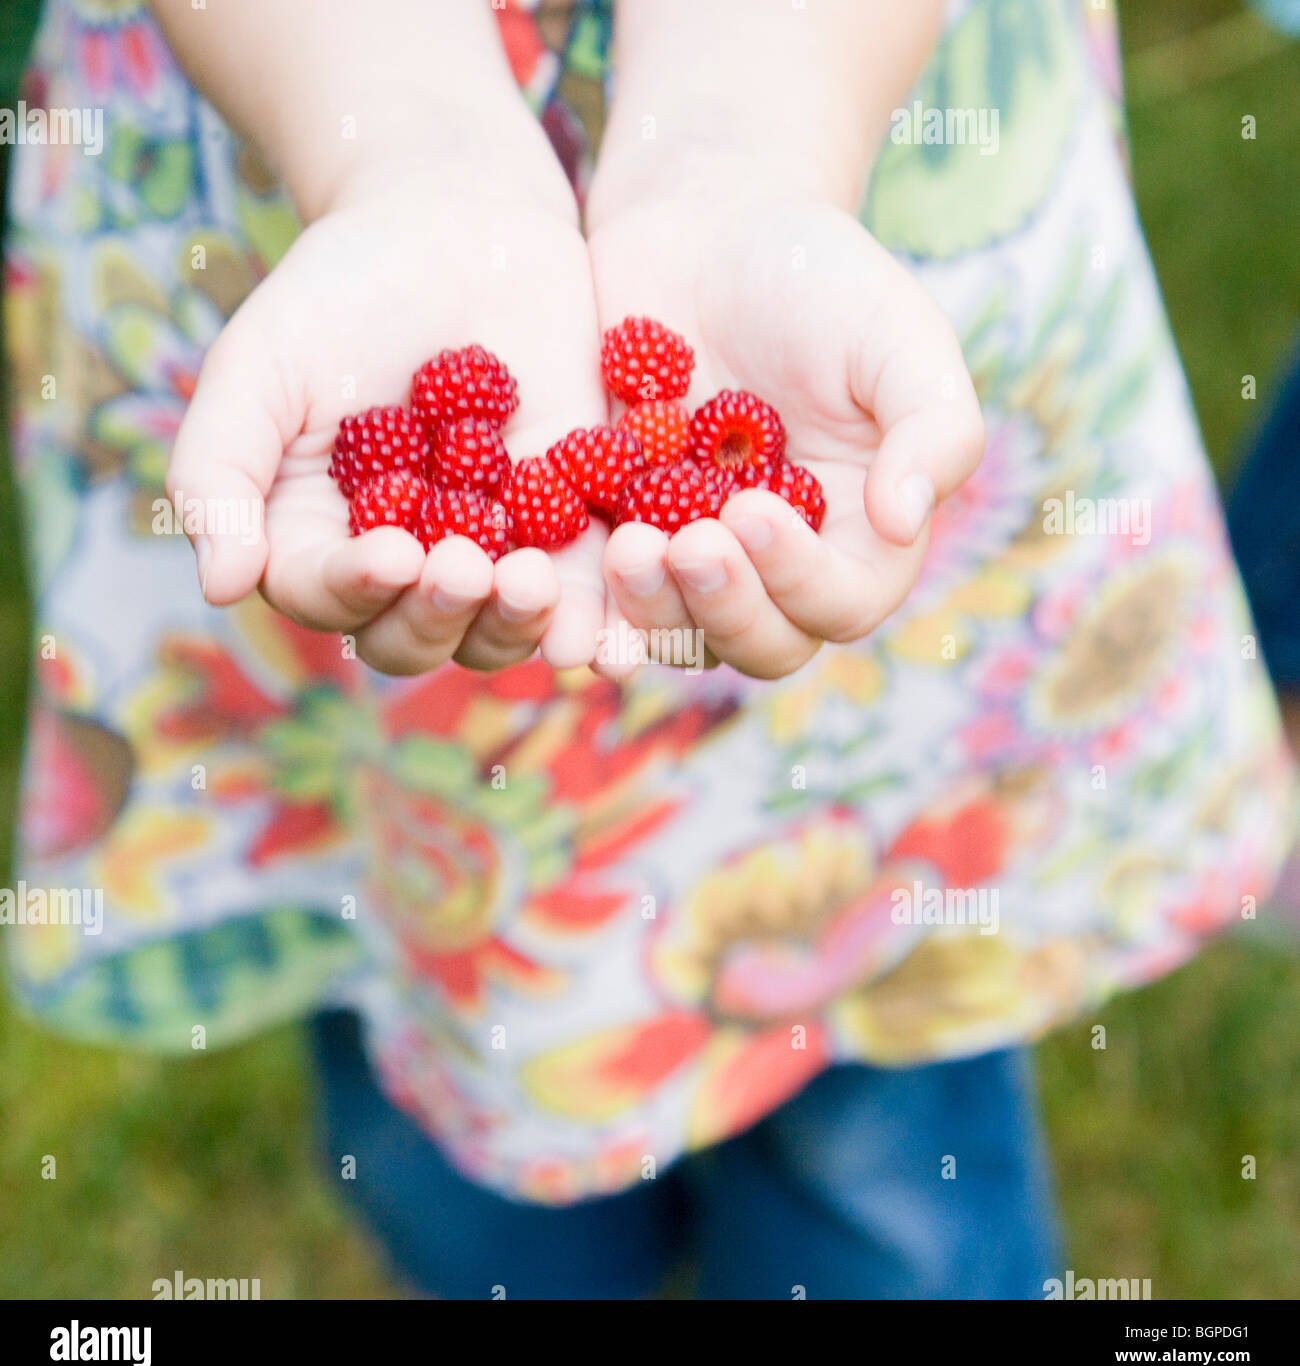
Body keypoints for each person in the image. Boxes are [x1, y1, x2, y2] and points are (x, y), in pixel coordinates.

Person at [4, 0, 1293, 1298]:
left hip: (845, 113)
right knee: (444, 1101)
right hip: (284, 116)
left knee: (876, 1081)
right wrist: (396, 151)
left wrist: (747, 150)